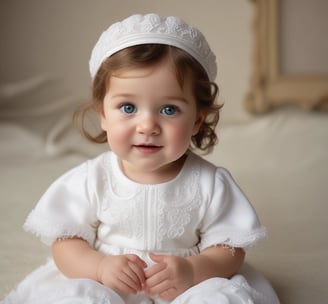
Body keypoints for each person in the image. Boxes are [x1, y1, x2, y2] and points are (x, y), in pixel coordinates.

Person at [1, 14, 279, 304]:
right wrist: (98, 266)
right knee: (77, 296)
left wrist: (194, 269)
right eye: (128, 107)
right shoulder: (94, 178)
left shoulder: (209, 182)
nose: (147, 126)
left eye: (169, 110)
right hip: (108, 285)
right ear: (103, 115)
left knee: (220, 297)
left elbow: (229, 250)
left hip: (185, 287)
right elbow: (65, 244)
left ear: (197, 120)